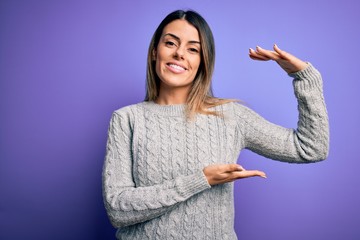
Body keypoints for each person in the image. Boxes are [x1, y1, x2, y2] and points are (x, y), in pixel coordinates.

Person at [102, 9, 329, 240]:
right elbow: (117, 209)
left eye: (193, 49)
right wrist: (200, 180)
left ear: (203, 61)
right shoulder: (127, 119)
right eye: (170, 43)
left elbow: (310, 148)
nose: (180, 53)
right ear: (154, 51)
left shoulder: (231, 116)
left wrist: (305, 77)